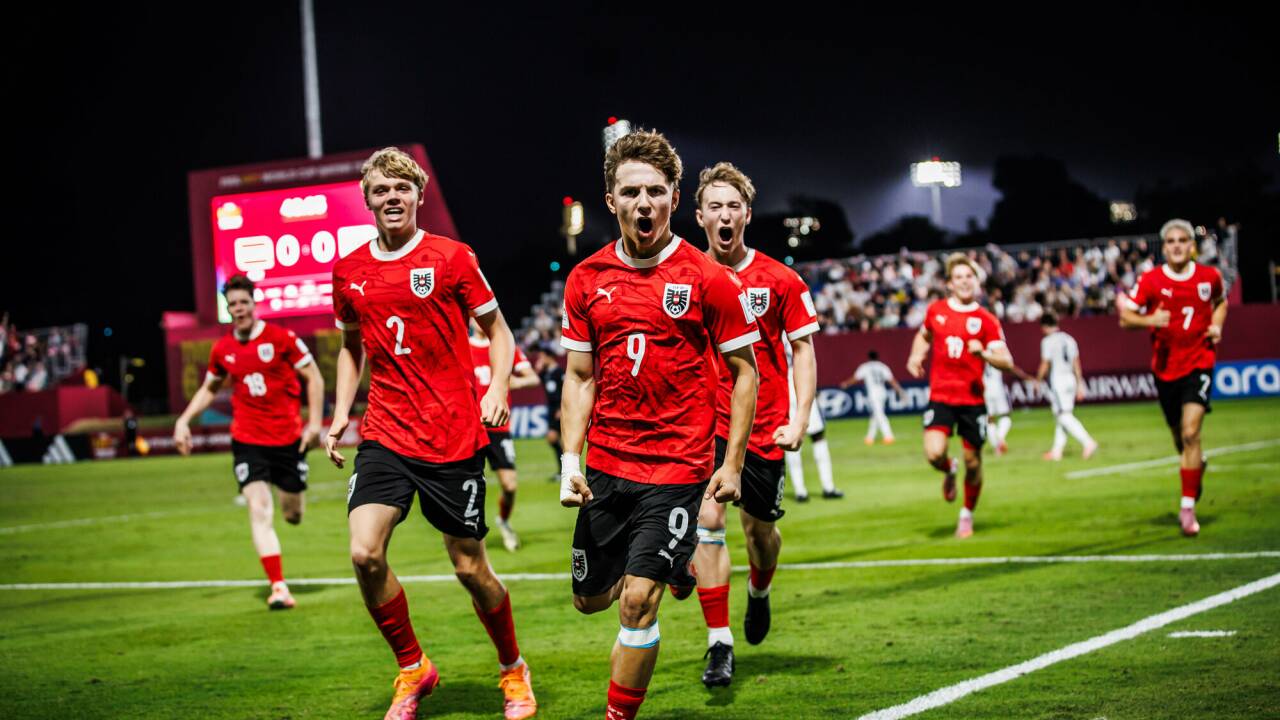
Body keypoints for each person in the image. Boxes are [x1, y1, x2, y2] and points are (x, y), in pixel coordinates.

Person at [324, 147, 537, 720]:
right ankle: (413, 667)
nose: (391, 198)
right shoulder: (348, 270)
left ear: (418, 195)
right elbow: (350, 348)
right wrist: (341, 412)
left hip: (452, 434)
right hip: (386, 432)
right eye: (380, 190)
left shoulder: (451, 257)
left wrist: (497, 389)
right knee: (364, 553)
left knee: (470, 568)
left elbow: (498, 331)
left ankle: (513, 668)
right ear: (367, 200)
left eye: (401, 188)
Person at [558, 131, 759, 719]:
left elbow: (744, 373)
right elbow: (578, 378)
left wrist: (732, 464)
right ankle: (676, 561)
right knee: (590, 599)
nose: (642, 204)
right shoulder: (586, 280)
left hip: (678, 468)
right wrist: (572, 463)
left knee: (637, 603)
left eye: (654, 191)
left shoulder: (707, 277)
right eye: (629, 192)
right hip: (608, 467)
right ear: (610, 198)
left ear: (674, 197)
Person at [688, 162, 819, 686]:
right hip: (700, 426)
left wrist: (799, 417)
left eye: (733, 206)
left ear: (747, 213)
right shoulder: (683, 275)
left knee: (759, 532)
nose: (724, 214)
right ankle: (719, 644)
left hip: (763, 426)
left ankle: (759, 592)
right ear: (698, 215)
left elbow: (803, 349)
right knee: (709, 522)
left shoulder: (780, 279)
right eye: (714, 206)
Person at [173, 274, 324, 610]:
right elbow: (209, 388)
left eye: (243, 303)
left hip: (288, 439)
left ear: (254, 304)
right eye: (232, 306)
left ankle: (292, 501)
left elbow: (313, 376)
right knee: (258, 508)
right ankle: (279, 587)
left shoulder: (283, 338)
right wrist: (183, 420)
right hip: (247, 440)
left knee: (293, 514)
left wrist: (314, 424)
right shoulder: (223, 349)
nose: (238, 309)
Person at [1119, 218, 1227, 536]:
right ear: (1164, 247)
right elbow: (1126, 317)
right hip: (1165, 368)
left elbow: (1219, 304)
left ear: (1191, 246)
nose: (1177, 246)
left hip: (1200, 362)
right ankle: (1196, 468)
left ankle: (1187, 508)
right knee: (1180, 439)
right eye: (1171, 241)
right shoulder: (1151, 280)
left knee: (1192, 433)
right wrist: (1151, 318)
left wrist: (1217, 325)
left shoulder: (1210, 277)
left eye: (1182, 240)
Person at [906, 254, 1015, 538]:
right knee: (934, 453)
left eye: (969, 276)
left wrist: (986, 353)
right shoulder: (936, 311)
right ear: (950, 284)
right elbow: (923, 335)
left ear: (976, 282)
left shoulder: (986, 320)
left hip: (973, 401)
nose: (965, 281)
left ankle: (966, 514)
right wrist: (917, 355)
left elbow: (1007, 361)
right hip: (941, 396)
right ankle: (949, 468)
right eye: (959, 277)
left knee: (974, 462)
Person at [469, 320, 540, 551]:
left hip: (499, 427)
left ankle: (504, 521)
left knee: (509, 486)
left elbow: (533, 378)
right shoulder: (462, 346)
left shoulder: (504, 346)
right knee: (469, 486)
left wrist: (512, 381)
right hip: (471, 428)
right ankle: (466, 534)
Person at [783, 336, 844, 502]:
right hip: (801, 383)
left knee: (791, 438)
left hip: (783, 387)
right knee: (818, 435)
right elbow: (808, 359)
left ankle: (800, 491)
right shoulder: (796, 328)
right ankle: (828, 486)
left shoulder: (772, 329)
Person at [1036, 311, 1098, 460]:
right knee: (1062, 415)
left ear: (1044, 326)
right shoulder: (1069, 339)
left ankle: (1088, 442)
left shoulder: (1048, 341)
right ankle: (1057, 451)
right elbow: (1076, 363)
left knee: (1063, 415)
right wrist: (1079, 383)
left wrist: (1037, 380)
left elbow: (1046, 363)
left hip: (1058, 381)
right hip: (1070, 379)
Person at [840, 350, 904, 446]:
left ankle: (888, 436)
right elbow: (891, 380)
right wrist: (899, 390)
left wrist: (846, 384)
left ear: (868, 357)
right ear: (877, 357)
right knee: (875, 415)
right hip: (882, 393)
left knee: (879, 414)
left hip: (873, 394)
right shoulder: (882, 366)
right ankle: (870, 438)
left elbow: (856, 378)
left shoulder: (865, 367)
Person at [533, 347, 566, 481]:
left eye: (541, 357)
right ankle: (564, 471)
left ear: (549, 356)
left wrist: (561, 408)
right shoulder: (546, 373)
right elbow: (534, 379)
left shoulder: (559, 372)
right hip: (551, 410)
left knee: (555, 438)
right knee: (554, 440)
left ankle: (565, 471)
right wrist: (537, 368)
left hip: (560, 410)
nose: (540, 360)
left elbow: (566, 390)